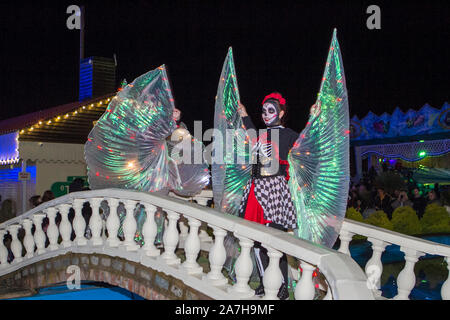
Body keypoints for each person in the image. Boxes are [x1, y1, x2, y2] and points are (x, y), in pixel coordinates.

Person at [236, 92, 300, 300]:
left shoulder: (289, 135)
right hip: (255, 190)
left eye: (271, 110)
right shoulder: (260, 135)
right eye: (263, 111)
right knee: (254, 241)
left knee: (273, 242)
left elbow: (308, 150)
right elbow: (251, 131)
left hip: (274, 192)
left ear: (281, 113)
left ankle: (280, 287)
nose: (265, 114)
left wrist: (316, 119)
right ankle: (265, 282)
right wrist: (244, 115)